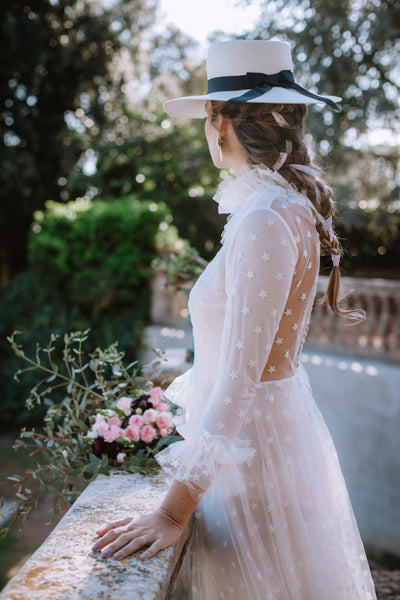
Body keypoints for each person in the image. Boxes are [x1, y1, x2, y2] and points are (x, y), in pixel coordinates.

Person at [92, 40, 377, 599]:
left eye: (207, 116)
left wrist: (172, 513)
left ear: (219, 121)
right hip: (266, 439)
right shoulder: (282, 207)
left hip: (253, 454)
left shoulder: (267, 216)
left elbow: (240, 380)